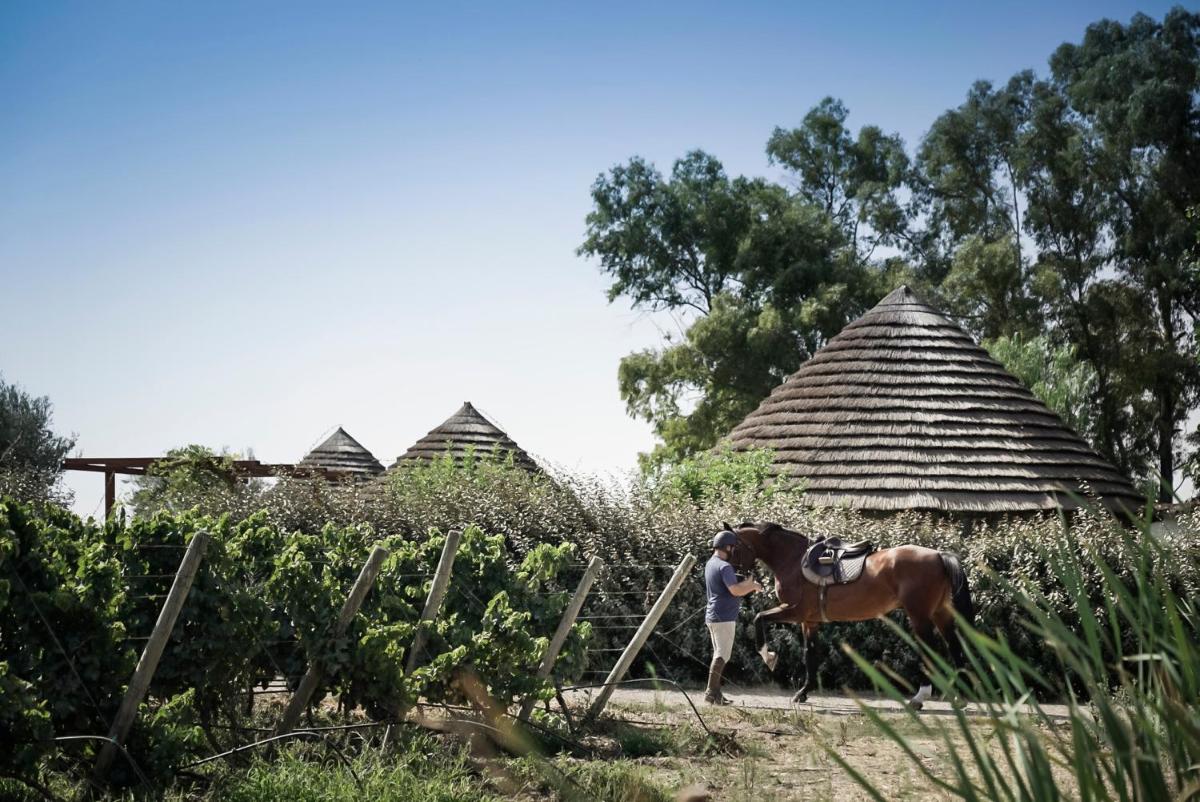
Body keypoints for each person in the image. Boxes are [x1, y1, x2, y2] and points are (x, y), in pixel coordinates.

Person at [705, 528, 763, 705]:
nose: (733, 551)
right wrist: (753, 586)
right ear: (727, 547)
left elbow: (730, 587)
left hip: (714, 615)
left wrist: (747, 583)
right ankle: (711, 694)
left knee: (719, 654)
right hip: (723, 617)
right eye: (732, 547)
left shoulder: (711, 563)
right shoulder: (725, 566)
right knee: (722, 655)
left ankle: (715, 694)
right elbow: (735, 590)